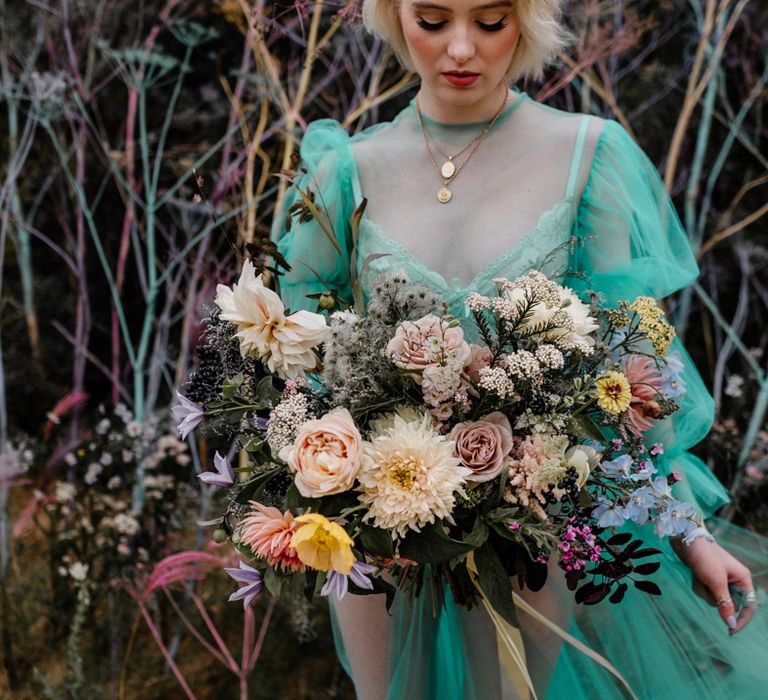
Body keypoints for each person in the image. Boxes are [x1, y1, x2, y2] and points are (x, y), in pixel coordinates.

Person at [272, 1, 768, 697]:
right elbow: (291, 353)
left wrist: (689, 533)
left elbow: (630, 375)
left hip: (531, 516)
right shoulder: (346, 172)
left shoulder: (588, 155)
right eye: (434, 20)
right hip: (376, 521)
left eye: (492, 21)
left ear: (526, 23)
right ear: (394, 16)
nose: (461, 49)